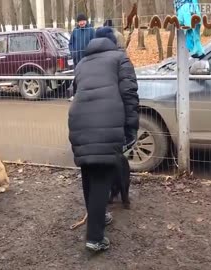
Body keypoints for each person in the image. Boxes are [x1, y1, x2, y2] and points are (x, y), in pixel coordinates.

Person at [68, 27, 139, 252]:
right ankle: (95, 238)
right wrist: (131, 130)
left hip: (78, 120)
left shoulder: (82, 63)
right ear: (113, 42)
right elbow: (129, 94)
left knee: (89, 172)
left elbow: (76, 90)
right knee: (101, 178)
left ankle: (98, 217)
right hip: (107, 121)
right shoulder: (120, 59)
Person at [68, 14, 95, 102]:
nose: (81, 22)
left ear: (86, 21)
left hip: (88, 58)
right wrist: (73, 53)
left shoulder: (91, 30)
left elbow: (94, 42)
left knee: (88, 77)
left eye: (83, 21)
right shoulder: (75, 31)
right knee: (77, 77)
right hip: (77, 59)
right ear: (78, 22)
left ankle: (89, 95)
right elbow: (70, 44)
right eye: (80, 21)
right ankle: (75, 94)